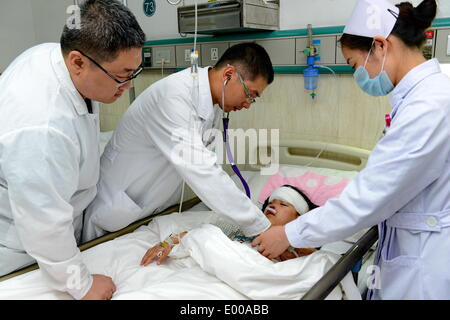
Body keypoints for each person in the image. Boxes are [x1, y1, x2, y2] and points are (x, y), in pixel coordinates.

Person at [252, 0, 450, 300]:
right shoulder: (422, 98)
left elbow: (367, 198)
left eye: (354, 65)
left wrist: (288, 234)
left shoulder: (428, 106)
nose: (359, 77)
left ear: (380, 47)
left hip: (425, 261)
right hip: (412, 245)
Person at [0, 0, 145, 300]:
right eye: (122, 75)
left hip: (53, 228)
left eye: (134, 71)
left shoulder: (54, 55)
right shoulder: (43, 125)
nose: (128, 86)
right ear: (78, 62)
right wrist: (83, 285)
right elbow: (43, 222)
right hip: (18, 249)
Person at [83, 43, 274, 242]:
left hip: (147, 213)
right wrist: (259, 225)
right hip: (114, 210)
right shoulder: (173, 97)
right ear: (228, 75)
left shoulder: (214, 103)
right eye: (250, 94)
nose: (247, 104)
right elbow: (201, 169)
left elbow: (206, 164)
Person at [140, 185, 318, 266]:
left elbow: (314, 264)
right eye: (271, 202)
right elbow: (199, 235)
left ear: (298, 218)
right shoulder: (239, 226)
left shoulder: (300, 245)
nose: (273, 205)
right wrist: (165, 244)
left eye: (283, 204)